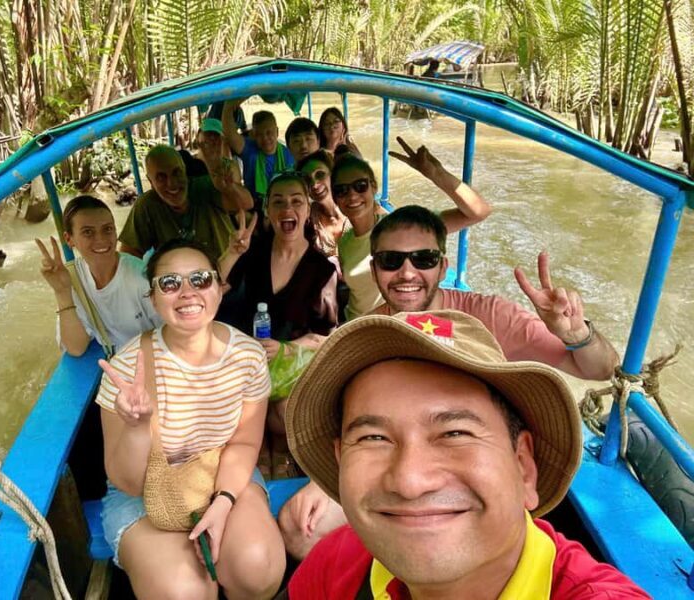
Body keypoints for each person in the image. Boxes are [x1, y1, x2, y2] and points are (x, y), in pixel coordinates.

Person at [278, 310, 649, 599]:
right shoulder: (338, 564)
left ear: (523, 467)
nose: (410, 481)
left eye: (455, 433)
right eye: (374, 437)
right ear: (342, 461)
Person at [96, 239, 286, 599]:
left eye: (200, 279)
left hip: (223, 470)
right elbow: (127, 483)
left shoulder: (247, 355)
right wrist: (138, 428)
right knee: (184, 593)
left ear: (219, 287)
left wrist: (224, 502)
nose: (187, 292)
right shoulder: (126, 368)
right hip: (145, 492)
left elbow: (244, 442)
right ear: (152, 298)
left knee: (257, 568)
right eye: (169, 283)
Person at [369, 204, 620, 381]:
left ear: (443, 267)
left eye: (424, 259)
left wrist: (577, 335)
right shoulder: (366, 331)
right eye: (390, 260)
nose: (407, 273)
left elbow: (600, 371)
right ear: (374, 270)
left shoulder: (493, 317)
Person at [219, 173, 338, 465]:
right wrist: (231, 253)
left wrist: (285, 348)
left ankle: (283, 457)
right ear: (268, 211)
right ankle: (258, 458)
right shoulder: (251, 255)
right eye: (279, 202)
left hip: (294, 366)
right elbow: (210, 292)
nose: (288, 208)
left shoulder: (322, 269)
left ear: (307, 210)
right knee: (245, 417)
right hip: (247, 363)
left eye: (296, 201)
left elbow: (326, 337)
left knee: (284, 415)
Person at [335, 139, 492, 321]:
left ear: (373, 187)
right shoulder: (345, 240)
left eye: (360, 186)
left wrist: (436, 174)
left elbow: (478, 212)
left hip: (394, 326)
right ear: (336, 199)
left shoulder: (404, 231)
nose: (352, 195)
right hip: (356, 324)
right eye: (342, 190)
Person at [35, 195, 160, 356]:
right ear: (69, 239)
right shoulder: (72, 278)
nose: (101, 240)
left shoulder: (142, 277)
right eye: (88, 232)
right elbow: (76, 348)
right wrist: (62, 292)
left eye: (107, 229)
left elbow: (175, 333)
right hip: (120, 366)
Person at [118, 145, 253, 259]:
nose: (171, 184)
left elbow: (246, 204)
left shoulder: (206, 186)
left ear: (185, 170)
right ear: (151, 182)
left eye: (176, 173)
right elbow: (128, 256)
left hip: (228, 277)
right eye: (161, 178)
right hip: (183, 285)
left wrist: (230, 188)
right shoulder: (147, 205)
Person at [222, 98, 294, 207]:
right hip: (254, 206)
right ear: (254, 136)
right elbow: (229, 132)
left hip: (282, 205)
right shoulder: (250, 150)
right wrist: (229, 106)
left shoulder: (288, 155)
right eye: (259, 135)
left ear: (277, 132)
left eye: (269, 133)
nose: (265, 138)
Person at [295, 150, 350, 264]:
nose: (314, 184)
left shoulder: (356, 205)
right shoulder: (307, 218)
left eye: (320, 174)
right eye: (307, 180)